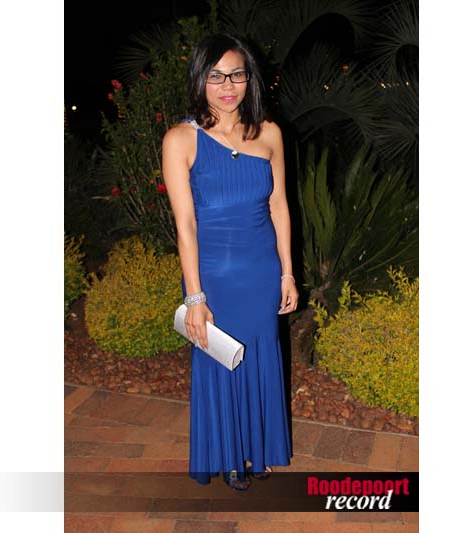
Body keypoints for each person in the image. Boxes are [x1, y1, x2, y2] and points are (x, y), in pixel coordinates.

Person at [161, 33, 298, 491]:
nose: (227, 86)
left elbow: (279, 206)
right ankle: (228, 455)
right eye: (216, 76)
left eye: (236, 74)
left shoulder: (269, 133)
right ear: (200, 79)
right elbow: (185, 225)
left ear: (249, 78)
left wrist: (287, 273)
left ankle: (256, 450)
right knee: (220, 361)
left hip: (261, 272)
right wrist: (194, 296)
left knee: (259, 357)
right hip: (214, 279)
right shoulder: (181, 139)